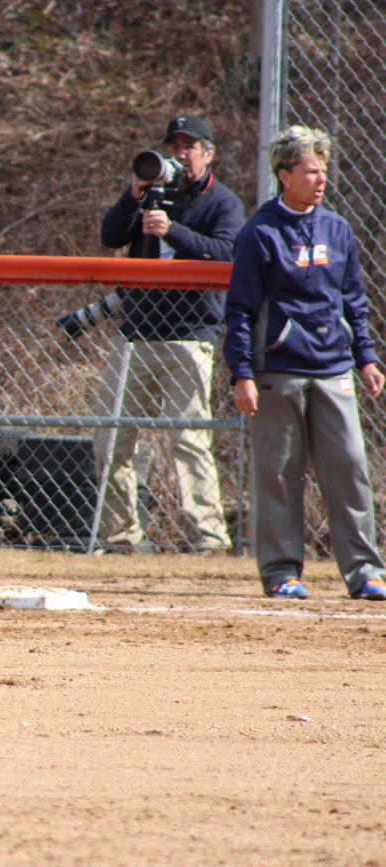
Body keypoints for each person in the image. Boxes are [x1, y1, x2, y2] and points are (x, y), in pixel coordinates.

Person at [223, 125, 386, 601]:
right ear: (284, 175)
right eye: (311, 171)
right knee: (279, 473)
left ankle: (365, 571)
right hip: (279, 371)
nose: (320, 180)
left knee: (350, 470)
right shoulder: (260, 232)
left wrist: (367, 358)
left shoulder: (337, 229)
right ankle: (280, 572)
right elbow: (241, 310)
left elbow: (353, 300)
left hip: (333, 366)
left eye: (323, 170)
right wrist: (242, 373)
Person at [87, 114, 244, 554]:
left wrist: (173, 231)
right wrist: (132, 194)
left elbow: (229, 253)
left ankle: (208, 541)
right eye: (173, 145)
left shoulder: (222, 202)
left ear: (208, 154)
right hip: (134, 334)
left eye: (188, 146)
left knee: (188, 441)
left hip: (189, 334)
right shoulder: (151, 195)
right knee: (112, 440)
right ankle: (122, 541)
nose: (178, 153)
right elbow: (109, 236)